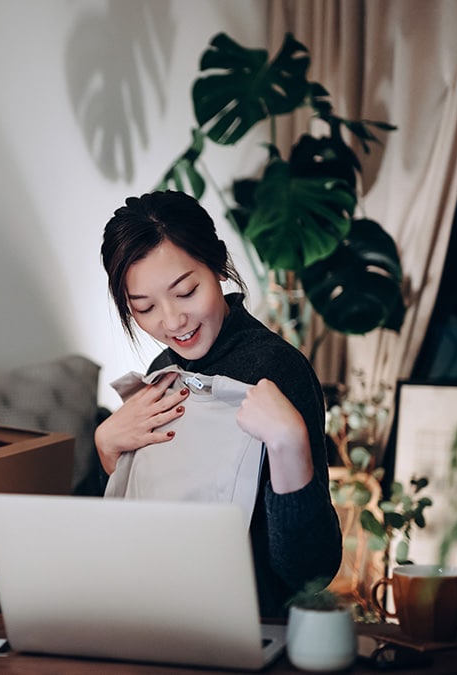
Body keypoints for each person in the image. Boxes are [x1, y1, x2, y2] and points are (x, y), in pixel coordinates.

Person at [95, 190, 342, 618]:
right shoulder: (161, 369)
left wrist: (290, 446)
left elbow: (309, 574)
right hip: (154, 618)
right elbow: (144, 530)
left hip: (248, 628)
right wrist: (108, 448)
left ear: (218, 265)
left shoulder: (278, 370)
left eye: (186, 291)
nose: (172, 322)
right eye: (145, 307)